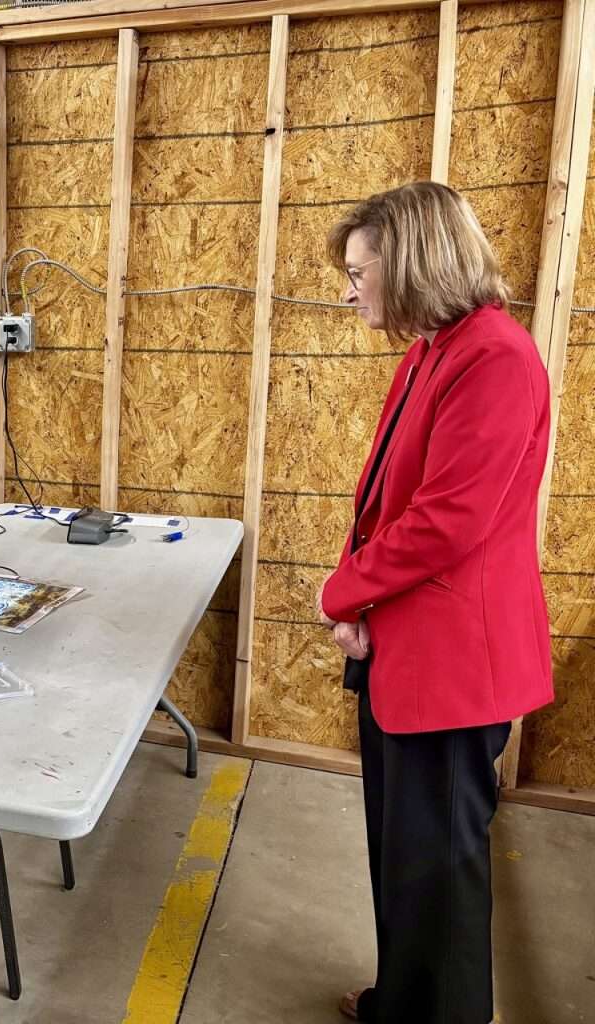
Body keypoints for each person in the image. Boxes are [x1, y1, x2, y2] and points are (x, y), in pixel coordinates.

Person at [314, 182, 553, 1024]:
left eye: (358, 270)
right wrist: (357, 608)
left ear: (409, 261)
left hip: (453, 669)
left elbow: (447, 519)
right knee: (405, 853)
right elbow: (381, 495)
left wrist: (341, 591)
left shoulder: (495, 356)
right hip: (404, 648)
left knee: (441, 868)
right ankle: (405, 1001)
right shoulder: (433, 350)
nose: (350, 290)